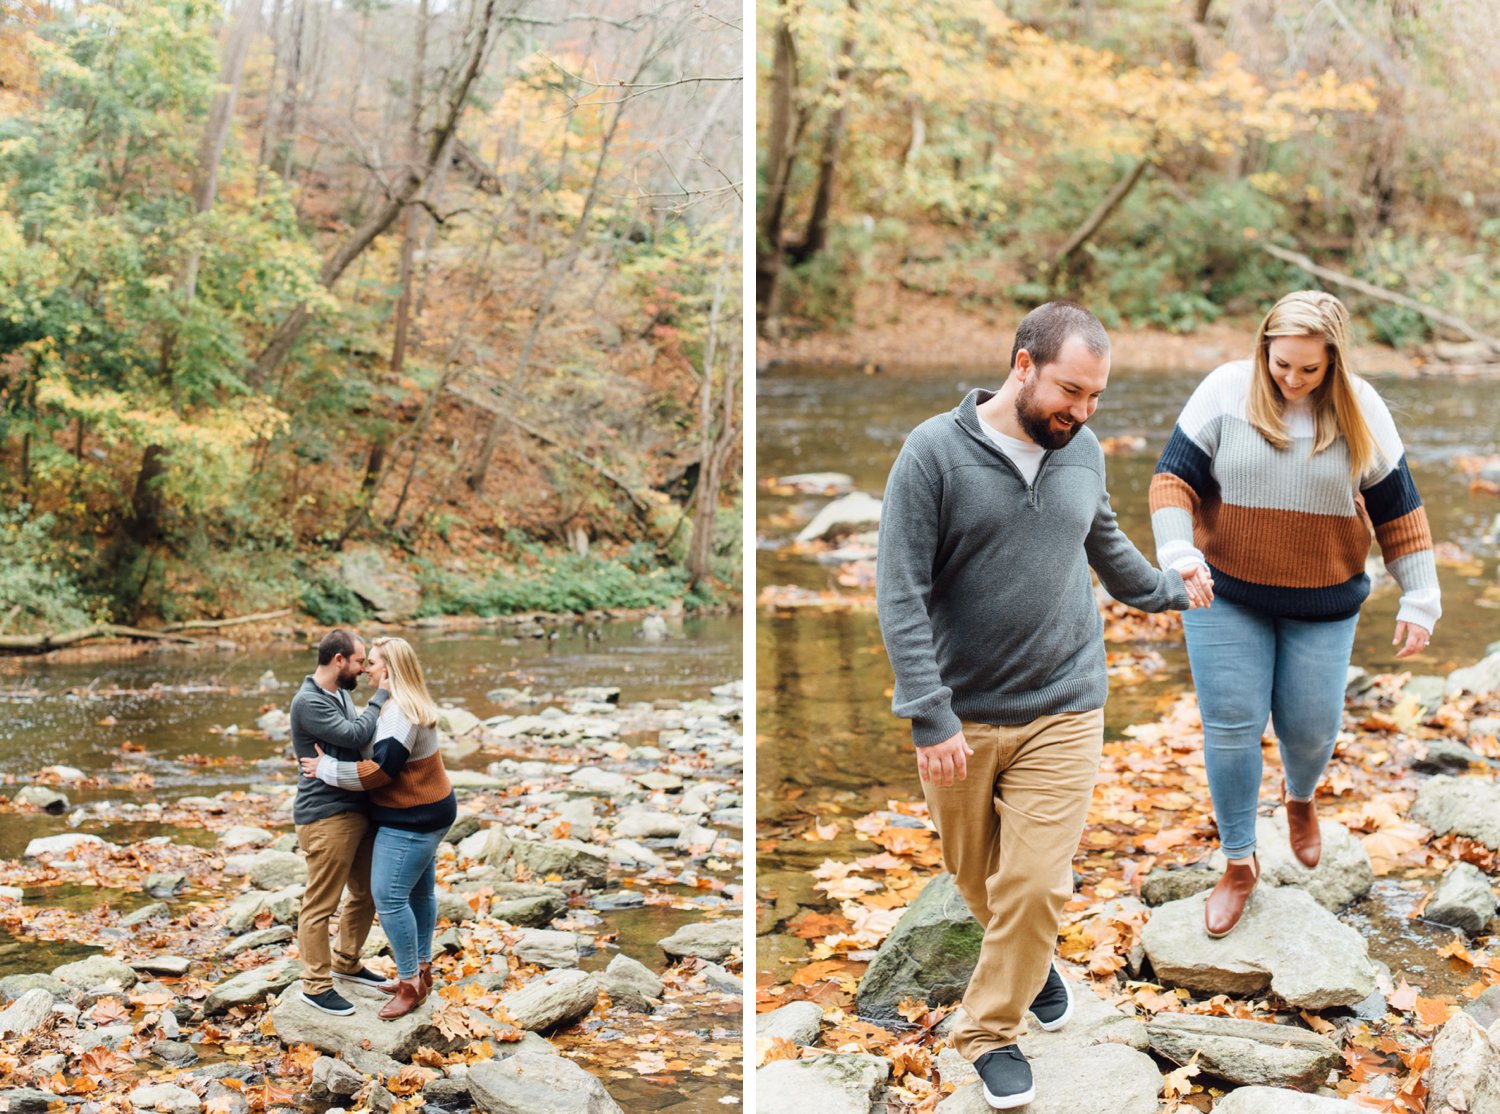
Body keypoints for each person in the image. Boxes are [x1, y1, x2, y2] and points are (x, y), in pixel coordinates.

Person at [876, 301, 1208, 1110]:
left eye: (1095, 396)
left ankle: (988, 1033)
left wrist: (1170, 590)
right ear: (1022, 364)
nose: (1082, 411)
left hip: (1064, 700)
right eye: (1070, 391)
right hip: (962, 713)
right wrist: (930, 713)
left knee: (1034, 884)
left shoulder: (1080, 449)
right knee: (977, 875)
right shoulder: (933, 456)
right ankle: (1033, 960)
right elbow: (901, 595)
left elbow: (1107, 545)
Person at [1150, 289, 1439, 939]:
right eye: (1282, 364)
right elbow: (1173, 481)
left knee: (1309, 729)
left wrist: (1421, 599)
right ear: (1264, 348)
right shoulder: (1225, 391)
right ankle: (1238, 863)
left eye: (1309, 369)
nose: (1292, 379)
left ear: (1334, 361)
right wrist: (1176, 550)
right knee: (1230, 725)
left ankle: (1300, 796)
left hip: (1324, 600)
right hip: (1221, 589)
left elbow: (1399, 513)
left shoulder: (1362, 410)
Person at [301, 636, 456, 1020]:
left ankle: (409, 985)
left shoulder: (400, 711)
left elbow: (380, 772)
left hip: (414, 816)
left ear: (387, 670)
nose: (366, 668)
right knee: (419, 893)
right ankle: (421, 971)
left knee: (388, 898)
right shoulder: (400, 702)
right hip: (429, 809)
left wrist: (326, 769)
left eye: (371, 662)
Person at [289, 629, 395, 1016]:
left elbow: (361, 743)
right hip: (326, 815)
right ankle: (315, 986)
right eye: (359, 661)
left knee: (367, 893)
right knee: (321, 902)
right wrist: (381, 695)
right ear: (338, 661)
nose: (364, 668)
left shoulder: (340, 695)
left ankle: (347, 962)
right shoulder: (308, 702)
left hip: (355, 811)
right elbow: (355, 734)